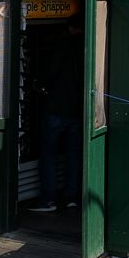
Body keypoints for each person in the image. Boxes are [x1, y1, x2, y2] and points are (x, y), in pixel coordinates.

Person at [29, 20, 83, 213]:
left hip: (55, 108)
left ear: (70, 27)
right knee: (74, 155)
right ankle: (72, 197)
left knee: (49, 155)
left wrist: (39, 85)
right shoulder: (89, 46)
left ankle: (48, 200)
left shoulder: (62, 46)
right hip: (78, 110)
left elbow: (49, 73)